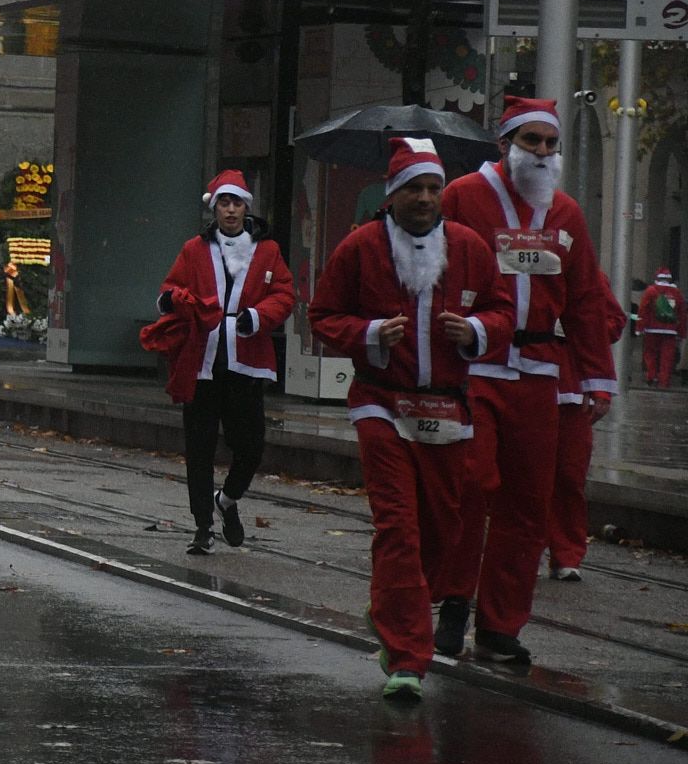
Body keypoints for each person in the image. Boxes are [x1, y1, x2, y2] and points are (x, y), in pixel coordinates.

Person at [308, 138, 512, 701]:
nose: (424, 198)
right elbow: (323, 314)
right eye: (413, 188)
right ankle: (407, 659)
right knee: (398, 523)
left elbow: (500, 310)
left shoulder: (468, 247)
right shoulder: (360, 247)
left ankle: (388, 607)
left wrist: (475, 331)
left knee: (442, 531)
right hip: (382, 403)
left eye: (432, 188)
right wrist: (370, 333)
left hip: (447, 409)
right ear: (392, 193)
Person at [436, 97, 615, 667]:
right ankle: (455, 600)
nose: (540, 151)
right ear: (505, 145)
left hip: (539, 373)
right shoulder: (462, 196)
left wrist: (598, 377)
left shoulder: (567, 213)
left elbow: (585, 299)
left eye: (549, 143)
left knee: (528, 503)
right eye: (530, 140)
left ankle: (499, 626)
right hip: (474, 367)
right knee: (470, 484)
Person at [147, 170, 297, 555]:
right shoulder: (193, 249)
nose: (230, 210)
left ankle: (226, 500)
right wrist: (174, 299)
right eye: (224, 203)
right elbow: (169, 289)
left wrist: (257, 317)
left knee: (251, 447)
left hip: (246, 362)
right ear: (214, 208)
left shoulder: (268, 251)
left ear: (247, 207)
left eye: (237, 203)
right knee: (199, 449)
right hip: (201, 362)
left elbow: (284, 294)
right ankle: (203, 526)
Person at [549, 289, 628, 581]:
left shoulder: (583, 274)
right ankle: (521, 554)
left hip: (573, 390)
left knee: (570, 475)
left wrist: (577, 329)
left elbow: (613, 321)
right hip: (525, 383)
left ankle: (566, 554)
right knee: (522, 477)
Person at [637, 268, 684, 388]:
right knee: (667, 357)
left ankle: (652, 377)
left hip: (652, 329)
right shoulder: (676, 292)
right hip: (671, 331)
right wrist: (681, 332)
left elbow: (643, 309)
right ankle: (664, 380)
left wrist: (640, 327)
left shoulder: (651, 291)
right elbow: (682, 313)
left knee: (651, 354)